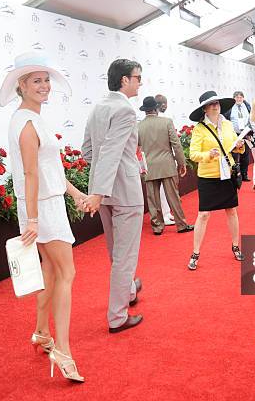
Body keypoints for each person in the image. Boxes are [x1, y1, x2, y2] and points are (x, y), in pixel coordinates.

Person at [0, 52, 85, 382]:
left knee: (51, 270)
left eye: (46, 79)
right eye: (36, 80)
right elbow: (31, 174)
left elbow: (47, 169)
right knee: (66, 272)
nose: (45, 85)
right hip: (42, 208)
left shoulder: (29, 118)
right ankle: (62, 349)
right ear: (21, 85)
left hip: (45, 204)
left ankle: (41, 333)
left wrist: (75, 193)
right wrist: (33, 220)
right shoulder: (25, 123)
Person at [81, 59, 144, 334]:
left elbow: (88, 152)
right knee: (125, 256)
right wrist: (98, 191)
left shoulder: (97, 108)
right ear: (124, 81)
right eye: (137, 77)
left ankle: (129, 289)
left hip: (104, 190)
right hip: (123, 191)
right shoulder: (126, 111)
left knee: (116, 251)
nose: (140, 82)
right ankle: (117, 317)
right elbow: (111, 152)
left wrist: (99, 188)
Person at [187, 90, 245, 270]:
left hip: (227, 173)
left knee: (232, 211)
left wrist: (240, 146)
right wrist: (207, 155)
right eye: (212, 104)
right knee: (203, 215)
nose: (216, 106)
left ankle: (236, 247)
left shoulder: (227, 124)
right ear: (204, 109)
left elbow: (234, 145)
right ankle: (195, 253)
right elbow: (193, 154)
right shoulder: (199, 128)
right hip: (208, 176)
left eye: (217, 103)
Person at [137, 96, 194, 235]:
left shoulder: (138, 126)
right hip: (167, 165)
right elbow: (176, 144)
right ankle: (181, 224)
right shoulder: (167, 122)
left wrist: (141, 167)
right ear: (156, 108)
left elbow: (136, 148)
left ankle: (157, 227)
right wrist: (182, 163)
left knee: (153, 199)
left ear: (145, 111)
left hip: (149, 167)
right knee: (173, 197)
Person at [155, 93, 176, 226]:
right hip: (164, 159)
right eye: (164, 103)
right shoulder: (165, 120)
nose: (165, 105)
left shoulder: (156, 119)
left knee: (162, 189)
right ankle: (164, 214)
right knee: (162, 190)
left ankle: (167, 213)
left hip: (157, 160)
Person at [227, 91, 251, 181]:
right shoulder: (230, 108)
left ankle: (244, 174)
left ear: (243, 98)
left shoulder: (247, 106)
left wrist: (249, 133)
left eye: (240, 97)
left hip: (245, 134)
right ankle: (234, 175)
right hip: (233, 134)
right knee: (234, 154)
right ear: (234, 99)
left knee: (245, 155)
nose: (239, 99)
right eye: (237, 97)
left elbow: (251, 119)